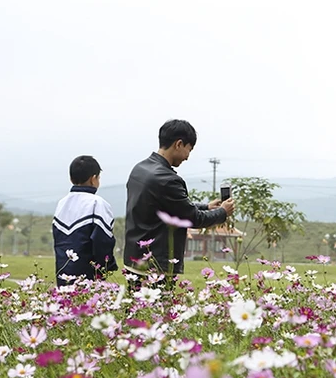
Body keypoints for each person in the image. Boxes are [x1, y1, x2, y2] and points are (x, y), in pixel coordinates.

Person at [123, 119, 235, 285]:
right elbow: (192, 218)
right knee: (158, 310)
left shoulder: (140, 169)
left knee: (136, 309)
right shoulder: (167, 179)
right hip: (155, 265)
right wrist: (223, 212)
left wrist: (207, 207)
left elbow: (167, 206)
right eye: (189, 150)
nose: (187, 157)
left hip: (134, 259)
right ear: (179, 144)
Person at [53, 155, 118, 286]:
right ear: (93, 179)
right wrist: (107, 266)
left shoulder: (61, 204)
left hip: (63, 275)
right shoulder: (97, 203)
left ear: (71, 179)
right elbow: (103, 241)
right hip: (88, 278)